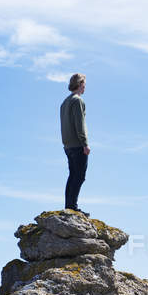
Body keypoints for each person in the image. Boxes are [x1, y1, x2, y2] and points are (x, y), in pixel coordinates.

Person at [60, 73, 91, 217]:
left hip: (67, 145)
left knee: (72, 175)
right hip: (77, 144)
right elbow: (80, 123)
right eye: (84, 84)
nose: (85, 87)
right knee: (79, 176)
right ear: (80, 84)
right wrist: (85, 143)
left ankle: (69, 206)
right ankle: (72, 207)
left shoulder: (64, 102)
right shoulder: (77, 100)